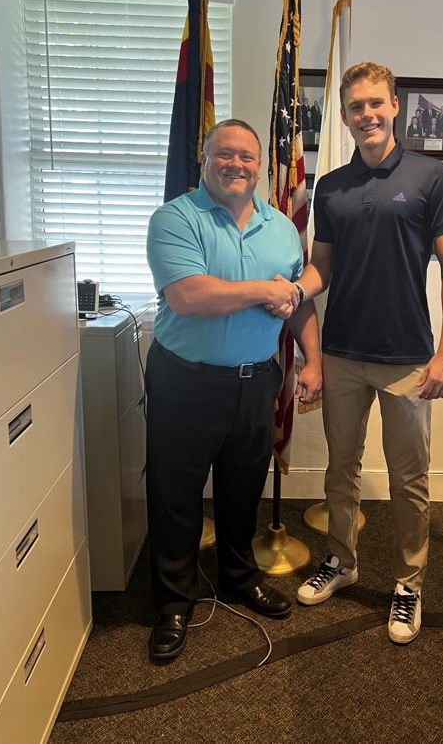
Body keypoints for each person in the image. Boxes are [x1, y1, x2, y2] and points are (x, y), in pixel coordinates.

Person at [293, 62, 443, 645]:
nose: (366, 114)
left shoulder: (432, 177)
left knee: (408, 477)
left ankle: (408, 583)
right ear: (344, 116)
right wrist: (293, 291)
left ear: (395, 106)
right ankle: (343, 562)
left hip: (407, 357)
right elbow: (322, 267)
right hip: (342, 352)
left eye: (375, 103)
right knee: (340, 468)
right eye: (355, 107)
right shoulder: (331, 187)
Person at [145, 118, 322, 662]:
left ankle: (240, 577)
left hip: (255, 381)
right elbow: (190, 296)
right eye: (224, 154)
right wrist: (269, 290)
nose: (236, 164)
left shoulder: (281, 228)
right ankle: (174, 602)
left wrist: (313, 360)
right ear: (204, 159)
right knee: (176, 496)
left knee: (243, 490)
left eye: (247, 156)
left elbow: (298, 302)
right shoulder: (175, 218)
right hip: (185, 381)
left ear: (260, 166)